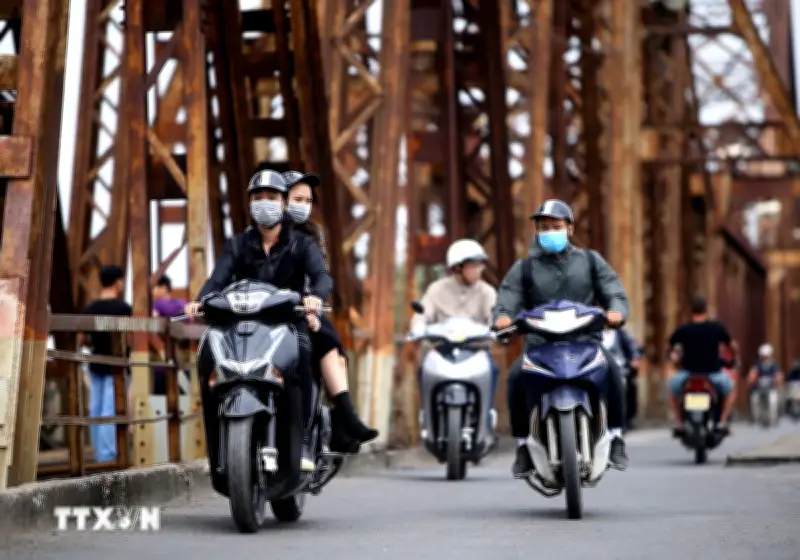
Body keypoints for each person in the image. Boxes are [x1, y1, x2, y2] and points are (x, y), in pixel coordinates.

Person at [184, 169, 331, 472]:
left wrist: (315, 296)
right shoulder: (237, 244)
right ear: (250, 204)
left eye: (272, 197)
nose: (265, 202)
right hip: (244, 322)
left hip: (287, 321)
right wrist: (200, 300)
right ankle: (220, 440)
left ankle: (304, 439)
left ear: (283, 203)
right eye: (258, 197)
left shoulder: (301, 244)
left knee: (303, 354)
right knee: (211, 354)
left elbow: (322, 276)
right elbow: (218, 278)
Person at [492, 199, 630, 477]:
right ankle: (522, 445)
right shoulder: (524, 268)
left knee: (613, 371)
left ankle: (616, 436)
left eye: (556, 226)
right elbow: (508, 298)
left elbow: (614, 292)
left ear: (570, 228)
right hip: (540, 344)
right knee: (516, 377)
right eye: (544, 227)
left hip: (586, 342)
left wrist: (616, 311)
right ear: (536, 231)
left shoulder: (591, 261)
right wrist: (503, 317)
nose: (550, 232)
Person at [282, 170, 379, 452]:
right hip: (270, 309)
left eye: (308, 201)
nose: (303, 206)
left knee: (331, 345)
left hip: (303, 307)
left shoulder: (313, 233)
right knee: (325, 339)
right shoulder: (261, 234)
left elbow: (319, 274)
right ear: (280, 199)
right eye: (297, 199)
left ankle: (343, 416)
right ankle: (344, 419)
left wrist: (311, 303)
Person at [409, 239, 498, 426]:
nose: (479, 270)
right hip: (442, 350)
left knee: (492, 370)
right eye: (473, 265)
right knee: (423, 369)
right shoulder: (437, 289)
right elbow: (423, 314)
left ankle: (486, 418)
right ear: (458, 267)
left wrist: (498, 328)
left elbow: (495, 317)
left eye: (480, 265)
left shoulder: (487, 292)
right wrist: (417, 326)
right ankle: (428, 415)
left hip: (475, 351)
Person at [79, 265, 132, 462]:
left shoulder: (91, 308)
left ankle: (98, 453)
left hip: (95, 363)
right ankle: (108, 456)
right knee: (110, 410)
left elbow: (81, 339)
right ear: (117, 282)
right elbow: (131, 339)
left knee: (96, 409)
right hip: (116, 365)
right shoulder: (124, 308)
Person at [666, 295, 737, 436]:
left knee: (671, 390)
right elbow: (732, 346)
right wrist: (734, 358)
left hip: (688, 374)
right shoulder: (716, 328)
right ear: (706, 311)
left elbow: (668, 347)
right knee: (730, 391)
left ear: (691, 311)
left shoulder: (684, 329)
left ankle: (679, 423)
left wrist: (672, 359)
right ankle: (722, 421)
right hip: (713, 373)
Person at [151, 275, 187, 396]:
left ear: (164, 288)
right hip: (184, 361)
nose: (152, 291)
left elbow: (151, 322)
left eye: (155, 287)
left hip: (161, 362)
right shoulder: (183, 303)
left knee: (159, 398)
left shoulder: (156, 305)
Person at [602, 326, 642, 430]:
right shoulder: (595, 332)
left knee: (622, 389)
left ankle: (621, 421)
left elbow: (632, 348)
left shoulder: (620, 333)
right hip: (601, 369)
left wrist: (634, 359)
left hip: (620, 369)